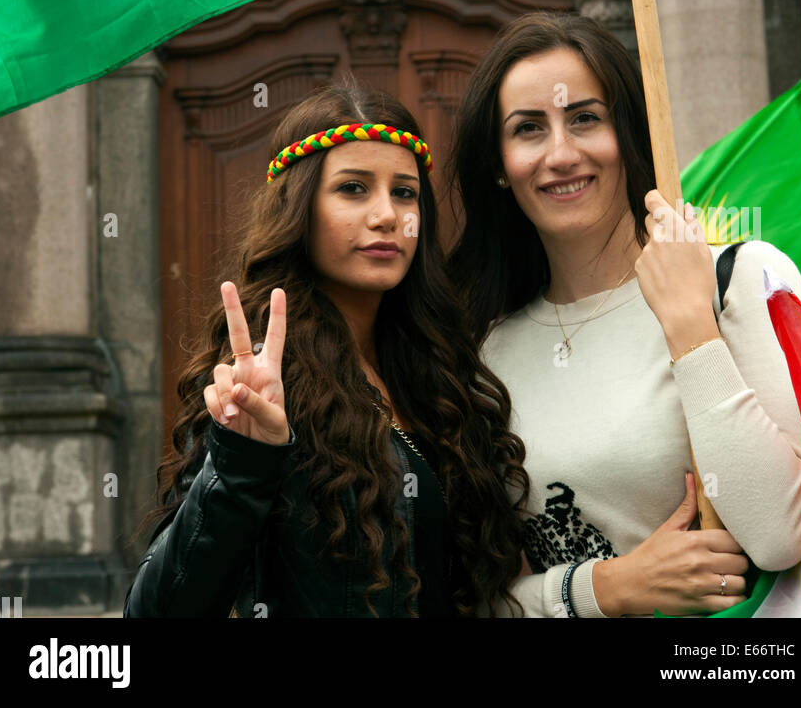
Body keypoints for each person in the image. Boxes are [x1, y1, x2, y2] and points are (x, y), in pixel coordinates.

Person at [446, 10, 801, 618]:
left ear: (629, 133)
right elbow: (469, 597)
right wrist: (604, 590)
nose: (561, 153)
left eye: (585, 119)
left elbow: (781, 536)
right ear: (497, 162)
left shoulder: (738, 279)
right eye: (529, 129)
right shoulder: (480, 345)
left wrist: (691, 329)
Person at [124, 82, 529, 618]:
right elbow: (156, 612)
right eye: (354, 188)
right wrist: (244, 462)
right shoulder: (264, 386)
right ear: (299, 209)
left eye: (404, 192)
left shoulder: (442, 374)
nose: (387, 215)